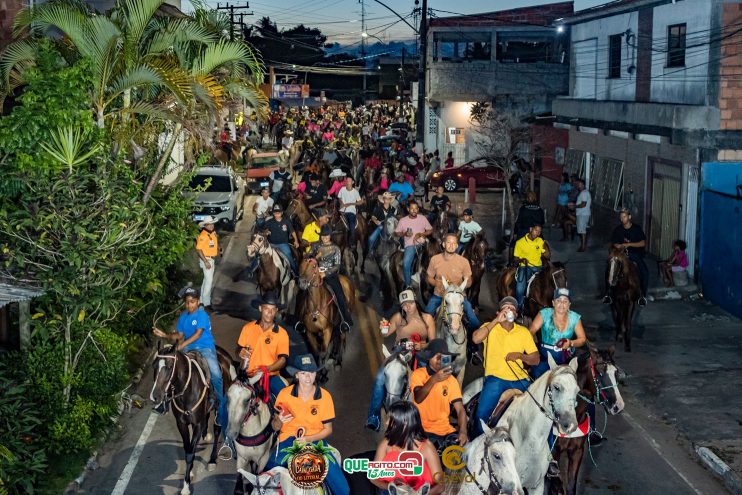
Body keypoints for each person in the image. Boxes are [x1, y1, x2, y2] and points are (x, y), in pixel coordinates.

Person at [265, 354, 350, 495]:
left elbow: (328, 430)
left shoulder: (325, 397)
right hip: (288, 442)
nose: (308, 377)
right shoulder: (284, 395)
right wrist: (279, 420)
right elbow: (275, 427)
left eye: (311, 372)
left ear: (316, 374)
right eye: (303, 373)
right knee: (265, 477)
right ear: (297, 375)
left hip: (315, 442)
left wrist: (309, 439)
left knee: (343, 489)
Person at [153, 287, 228, 429]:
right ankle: (164, 403)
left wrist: (181, 346)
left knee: (216, 375)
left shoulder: (202, 315)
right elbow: (179, 336)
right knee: (171, 368)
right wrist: (165, 335)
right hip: (187, 349)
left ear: (198, 301)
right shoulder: (183, 317)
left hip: (205, 348)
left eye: (192, 302)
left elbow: (198, 334)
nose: (190, 305)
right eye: (187, 302)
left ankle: (220, 402)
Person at [366, 290, 435, 432]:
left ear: (415, 301)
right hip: (399, 351)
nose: (407, 307)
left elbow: (433, 343)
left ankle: (429, 416)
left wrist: (420, 345)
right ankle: (374, 416)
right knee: (380, 377)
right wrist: (383, 328)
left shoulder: (427, 319)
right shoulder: (398, 318)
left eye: (410, 303)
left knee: (428, 381)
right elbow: (386, 333)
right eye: (404, 305)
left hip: (421, 353)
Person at [471, 297, 539, 437]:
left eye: (513, 309)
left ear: (516, 315)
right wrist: (496, 321)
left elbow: (536, 359)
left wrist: (520, 356)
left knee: (539, 412)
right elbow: (476, 338)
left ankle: (547, 452)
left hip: (520, 379)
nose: (509, 311)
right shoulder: (489, 326)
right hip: (496, 379)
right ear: (498, 312)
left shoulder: (523, 332)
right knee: (482, 414)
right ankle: (476, 443)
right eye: (505, 308)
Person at [371, 401, 444, 495]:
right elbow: (373, 478)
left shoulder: (426, 448)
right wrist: (393, 488)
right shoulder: (386, 444)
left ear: (404, 424)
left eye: (391, 419)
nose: (386, 422)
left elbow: (441, 485)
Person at [410, 339, 468, 448]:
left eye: (443, 356)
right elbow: (418, 398)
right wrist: (434, 379)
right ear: (428, 358)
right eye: (436, 355)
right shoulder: (418, 374)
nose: (439, 359)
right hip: (421, 430)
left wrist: (463, 431)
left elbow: (460, 409)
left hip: (445, 431)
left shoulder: (451, 380)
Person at [237, 293, 290, 398]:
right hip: (247, 375)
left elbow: (283, 360)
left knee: (286, 399)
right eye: (266, 308)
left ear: (276, 311)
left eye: (273, 309)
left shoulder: (281, 333)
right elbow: (239, 348)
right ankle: (219, 414)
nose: (269, 313)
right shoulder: (248, 328)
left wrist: (267, 369)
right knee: (226, 403)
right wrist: (240, 352)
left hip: (270, 376)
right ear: (260, 308)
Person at [425, 233, 481, 330]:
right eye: (448, 243)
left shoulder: (463, 261)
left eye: (454, 243)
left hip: (458, 296)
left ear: (457, 246)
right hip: (439, 295)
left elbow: (469, 280)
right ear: (443, 244)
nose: (451, 246)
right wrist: (436, 284)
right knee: (425, 318)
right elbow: (429, 277)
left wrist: (462, 286)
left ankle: (473, 340)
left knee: (474, 320)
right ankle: (427, 341)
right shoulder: (435, 259)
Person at [528, 288, 586, 378]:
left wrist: (571, 343)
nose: (562, 304)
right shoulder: (544, 314)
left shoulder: (575, 318)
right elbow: (531, 331)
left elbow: (582, 339)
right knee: (536, 377)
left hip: (565, 359)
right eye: (558, 300)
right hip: (544, 357)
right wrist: (531, 350)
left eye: (565, 301)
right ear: (553, 303)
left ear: (569, 305)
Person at [310, 224, 354, 331]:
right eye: (323, 235)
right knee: (302, 289)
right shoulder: (316, 246)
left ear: (330, 236)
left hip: (330, 275)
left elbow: (337, 265)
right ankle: (299, 319)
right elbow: (309, 257)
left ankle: (345, 320)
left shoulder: (335, 249)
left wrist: (325, 273)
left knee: (340, 295)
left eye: (327, 235)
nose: (324, 237)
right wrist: (316, 257)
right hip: (315, 273)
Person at [605, 208, 648, 306]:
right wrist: (618, 246)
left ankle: (642, 295)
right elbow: (614, 243)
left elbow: (642, 243)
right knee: (609, 269)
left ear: (629, 217)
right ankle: (608, 294)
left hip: (635, 254)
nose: (622, 219)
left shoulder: (637, 229)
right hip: (621, 255)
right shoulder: (618, 230)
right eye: (621, 217)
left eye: (624, 217)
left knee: (644, 272)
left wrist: (629, 245)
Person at [395, 202, 433, 289]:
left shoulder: (422, 218)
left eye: (416, 208)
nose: (414, 210)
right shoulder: (403, 220)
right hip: (411, 245)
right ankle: (408, 285)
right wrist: (404, 234)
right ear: (408, 209)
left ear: (418, 209)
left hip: (424, 243)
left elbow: (430, 230)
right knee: (405, 264)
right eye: (412, 208)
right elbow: (397, 233)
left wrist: (421, 234)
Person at [513, 224, 546, 310]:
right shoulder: (520, 242)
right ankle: (519, 310)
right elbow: (515, 259)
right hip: (525, 267)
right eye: (536, 230)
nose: (537, 233)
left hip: (539, 267)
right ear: (531, 229)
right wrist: (522, 260)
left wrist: (547, 252)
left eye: (539, 232)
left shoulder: (540, 241)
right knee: (519, 289)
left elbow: (544, 253)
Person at [263, 204, 299, 275]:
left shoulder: (286, 221)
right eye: (275, 213)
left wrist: (296, 241)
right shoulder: (269, 222)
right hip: (271, 244)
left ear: (282, 213)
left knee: (289, 256)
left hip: (283, 244)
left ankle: (296, 273)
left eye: (278, 213)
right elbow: (264, 231)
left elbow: (293, 232)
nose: (277, 214)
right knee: (261, 256)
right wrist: (266, 232)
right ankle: (252, 270)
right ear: (273, 213)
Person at [196, 216, 221, 310]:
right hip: (206, 260)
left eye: (212, 223)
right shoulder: (203, 236)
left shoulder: (211, 233)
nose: (211, 226)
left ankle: (201, 301)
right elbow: (198, 249)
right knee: (209, 281)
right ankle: (206, 303)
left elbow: (214, 243)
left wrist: (219, 248)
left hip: (211, 259)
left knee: (205, 281)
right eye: (209, 224)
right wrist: (205, 261)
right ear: (205, 225)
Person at [337, 176, 363, 247]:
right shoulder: (342, 189)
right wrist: (341, 202)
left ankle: (352, 242)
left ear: (352, 182)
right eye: (346, 181)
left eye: (349, 181)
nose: (347, 182)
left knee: (351, 224)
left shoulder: (355, 192)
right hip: (341, 211)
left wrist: (351, 203)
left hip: (351, 211)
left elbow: (360, 202)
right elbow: (339, 197)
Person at [575, 179, 591, 252]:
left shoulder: (584, 193)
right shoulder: (583, 192)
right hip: (582, 214)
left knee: (582, 231)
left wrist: (574, 206)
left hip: (583, 214)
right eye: (578, 184)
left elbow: (583, 204)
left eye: (580, 184)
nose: (578, 186)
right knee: (582, 231)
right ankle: (583, 245)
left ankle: (583, 246)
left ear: (583, 185)